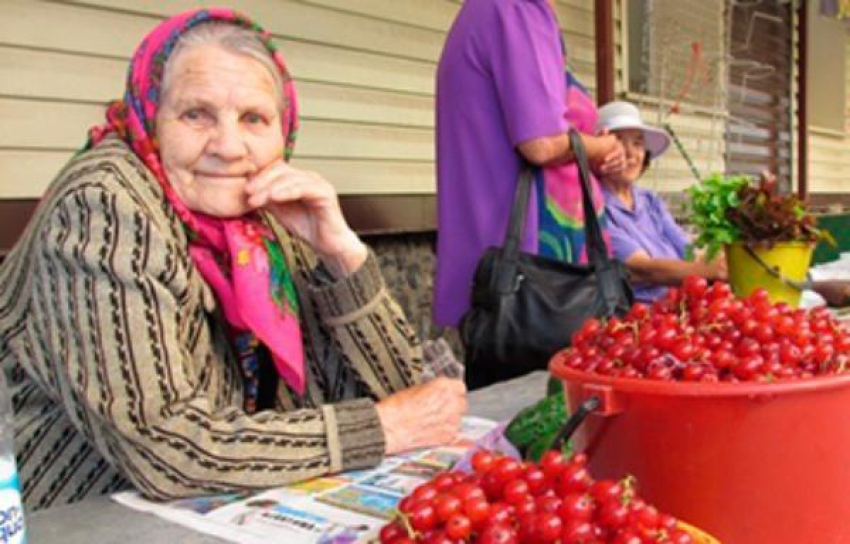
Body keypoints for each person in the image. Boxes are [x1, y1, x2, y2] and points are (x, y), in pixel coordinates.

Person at [0, 9, 466, 511]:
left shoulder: (263, 218)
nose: (227, 147)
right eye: (196, 114)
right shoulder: (105, 208)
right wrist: (381, 428)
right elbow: (167, 447)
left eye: (253, 119)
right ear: (150, 116)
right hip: (77, 517)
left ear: (282, 129)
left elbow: (399, 391)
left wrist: (341, 253)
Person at [433, 0, 624, 385]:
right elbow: (540, 144)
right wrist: (604, 147)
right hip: (536, 277)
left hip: (519, 270)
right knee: (542, 418)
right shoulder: (515, 9)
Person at [596, 101, 726, 302]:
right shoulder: (596, 206)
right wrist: (709, 271)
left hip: (681, 306)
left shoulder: (648, 200)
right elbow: (641, 269)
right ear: (598, 151)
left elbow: (688, 253)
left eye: (638, 143)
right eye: (619, 142)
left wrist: (725, 261)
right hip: (639, 319)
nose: (631, 154)